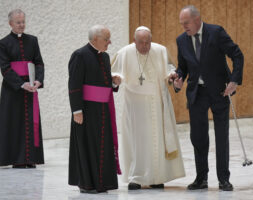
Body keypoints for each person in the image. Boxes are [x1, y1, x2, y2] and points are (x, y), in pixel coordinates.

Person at [171, 5, 244, 191]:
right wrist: (178, 79)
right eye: (182, 24)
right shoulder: (182, 40)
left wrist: (234, 80)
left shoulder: (216, 32)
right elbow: (183, 67)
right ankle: (201, 178)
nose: (184, 27)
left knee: (221, 136)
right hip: (197, 93)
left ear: (197, 19)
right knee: (198, 137)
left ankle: (223, 179)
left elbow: (237, 54)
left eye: (186, 23)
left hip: (220, 91)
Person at [111, 26, 185, 190]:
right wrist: (114, 80)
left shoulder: (160, 50)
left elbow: (171, 69)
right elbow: (112, 75)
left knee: (157, 140)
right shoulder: (125, 52)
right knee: (136, 141)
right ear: (134, 40)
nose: (144, 46)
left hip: (158, 104)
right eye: (141, 42)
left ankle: (156, 177)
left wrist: (172, 76)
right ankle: (136, 178)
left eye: (147, 42)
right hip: (135, 107)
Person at [68, 25, 121, 193]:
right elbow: (74, 85)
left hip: (103, 110)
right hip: (86, 111)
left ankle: (103, 182)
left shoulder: (104, 57)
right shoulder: (79, 55)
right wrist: (76, 110)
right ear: (94, 39)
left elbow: (103, 82)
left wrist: (114, 83)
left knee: (102, 146)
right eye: (106, 39)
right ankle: (87, 184)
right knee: (88, 146)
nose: (110, 42)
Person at [0, 9, 45, 168]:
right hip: (13, 90)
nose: (21, 25)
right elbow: (5, 68)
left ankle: (30, 158)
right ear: (10, 23)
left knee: (30, 122)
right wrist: (21, 84)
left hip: (31, 87)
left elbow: (38, 62)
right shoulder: (3, 43)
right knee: (14, 122)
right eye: (18, 22)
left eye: (23, 22)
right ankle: (16, 159)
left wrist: (38, 81)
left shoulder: (32, 40)